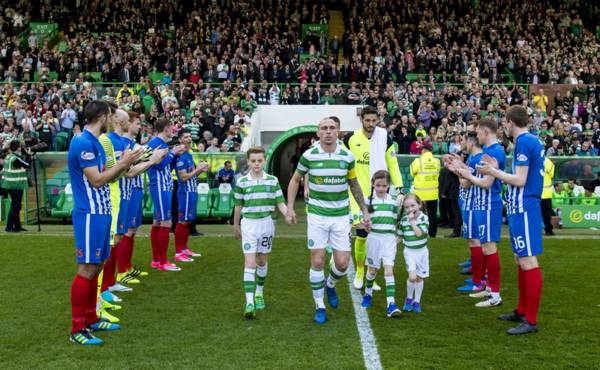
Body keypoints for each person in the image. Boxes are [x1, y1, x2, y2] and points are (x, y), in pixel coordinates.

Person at [67, 100, 142, 345]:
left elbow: (109, 177)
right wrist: (123, 163)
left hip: (102, 212)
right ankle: (77, 329)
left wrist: (128, 162)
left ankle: (91, 318)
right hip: (89, 214)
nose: (113, 119)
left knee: (98, 265)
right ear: (101, 116)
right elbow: (97, 180)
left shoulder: (95, 143)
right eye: (110, 115)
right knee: (87, 268)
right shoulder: (82, 143)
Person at [285, 117, 371, 324]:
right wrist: (289, 208)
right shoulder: (309, 156)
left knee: (342, 264)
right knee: (317, 260)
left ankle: (330, 284)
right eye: (324, 128)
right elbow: (295, 179)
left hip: (341, 215)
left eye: (332, 128)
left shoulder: (347, 156)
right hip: (317, 215)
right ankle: (319, 306)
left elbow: (354, 184)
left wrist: (365, 210)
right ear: (318, 132)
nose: (329, 131)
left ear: (338, 132)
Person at [477, 105, 544, 335]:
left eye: (505, 122)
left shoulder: (525, 142)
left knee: (528, 261)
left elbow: (521, 180)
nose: (504, 125)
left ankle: (531, 321)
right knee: (520, 259)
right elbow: (519, 177)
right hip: (520, 207)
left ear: (509, 122)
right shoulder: (528, 142)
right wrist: (498, 169)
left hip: (525, 207)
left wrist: (494, 173)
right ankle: (522, 310)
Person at [342, 106, 403, 290]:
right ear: (361, 120)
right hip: (357, 196)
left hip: (378, 195)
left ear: (378, 120)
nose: (370, 124)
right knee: (361, 235)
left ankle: (371, 274)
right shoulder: (349, 138)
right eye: (367, 120)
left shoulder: (385, 138)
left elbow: (393, 164)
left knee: (374, 237)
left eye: (373, 120)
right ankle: (360, 272)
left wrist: (399, 188)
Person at [455, 119, 505, 308]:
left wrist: (466, 174)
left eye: (477, 133)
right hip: (482, 204)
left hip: (489, 204)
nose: (476, 137)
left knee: (489, 248)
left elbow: (486, 183)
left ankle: (495, 294)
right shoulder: (490, 152)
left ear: (485, 132)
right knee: (485, 247)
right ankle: (490, 288)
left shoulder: (495, 152)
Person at [233, 147, 288, 319]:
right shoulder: (242, 182)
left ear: (264, 161)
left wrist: (288, 214)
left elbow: (280, 202)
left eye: (259, 160)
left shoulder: (272, 181)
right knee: (250, 263)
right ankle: (249, 302)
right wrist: (235, 225)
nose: (256, 164)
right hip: (248, 224)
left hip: (266, 224)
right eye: (253, 161)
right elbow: (238, 206)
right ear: (248, 162)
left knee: (262, 260)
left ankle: (259, 292)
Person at [446, 134, 486, 293]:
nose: (462, 143)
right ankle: (479, 276)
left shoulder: (477, 159)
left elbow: (466, 183)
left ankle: (479, 280)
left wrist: (455, 169)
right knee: (475, 241)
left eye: (464, 140)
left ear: (470, 142)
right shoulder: (474, 158)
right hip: (470, 202)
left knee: (476, 241)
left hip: (472, 203)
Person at [359, 170, 402, 318]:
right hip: (374, 239)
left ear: (388, 185)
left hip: (389, 240)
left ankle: (391, 304)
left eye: (384, 185)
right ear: (373, 184)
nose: (381, 188)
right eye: (378, 185)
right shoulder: (367, 201)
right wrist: (365, 224)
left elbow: (396, 219)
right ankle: (368, 293)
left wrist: (398, 236)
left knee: (389, 271)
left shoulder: (393, 201)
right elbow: (362, 222)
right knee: (372, 271)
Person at [147, 118, 186, 271]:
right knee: (166, 222)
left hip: (163, 185)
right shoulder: (155, 144)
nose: (173, 130)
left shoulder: (161, 144)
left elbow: (166, 168)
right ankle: (163, 262)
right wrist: (172, 153)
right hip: (159, 186)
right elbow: (157, 164)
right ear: (166, 128)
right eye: (171, 127)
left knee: (158, 222)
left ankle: (157, 260)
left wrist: (174, 155)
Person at [174, 129, 207, 263]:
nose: (189, 139)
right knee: (182, 221)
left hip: (192, 191)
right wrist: (198, 169)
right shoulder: (181, 156)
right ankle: (178, 251)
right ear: (180, 140)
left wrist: (200, 170)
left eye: (190, 136)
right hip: (185, 193)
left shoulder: (188, 154)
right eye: (186, 137)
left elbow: (192, 175)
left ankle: (184, 248)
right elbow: (183, 177)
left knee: (187, 221)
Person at [398, 193, 430, 314]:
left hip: (422, 253)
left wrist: (412, 222)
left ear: (419, 205)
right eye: (407, 207)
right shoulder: (404, 220)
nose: (410, 209)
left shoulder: (424, 218)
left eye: (413, 205)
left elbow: (419, 234)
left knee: (419, 278)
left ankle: (417, 301)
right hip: (409, 252)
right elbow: (400, 236)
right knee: (412, 277)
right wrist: (389, 247)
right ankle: (409, 298)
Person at [409, 141, 440, 238]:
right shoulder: (437, 161)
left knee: (418, 214)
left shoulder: (418, 161)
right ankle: (432, 234)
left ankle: (419, 232)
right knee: (432, 215)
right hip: (433, 193)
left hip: (420, 194)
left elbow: (411, 173)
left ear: (423, 150)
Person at [1, 140, 29, 232]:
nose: (21, 148)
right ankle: (9, 227)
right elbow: (27, 165)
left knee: (16, 206)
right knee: (15, 206)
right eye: (20, 147)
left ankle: (17, 226)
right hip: (15, 185)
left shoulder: (8, 157)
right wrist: (28, 155)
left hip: (9, 184)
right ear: (17, 148)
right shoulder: (15, 159)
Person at [541, 157, 555, 236]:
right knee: (546, 213)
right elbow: (552, 174)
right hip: (546, 193)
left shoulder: (533, 159)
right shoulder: (547, 161)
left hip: (535, 192)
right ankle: (548, 230)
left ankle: (531, 230)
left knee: (533, 213)